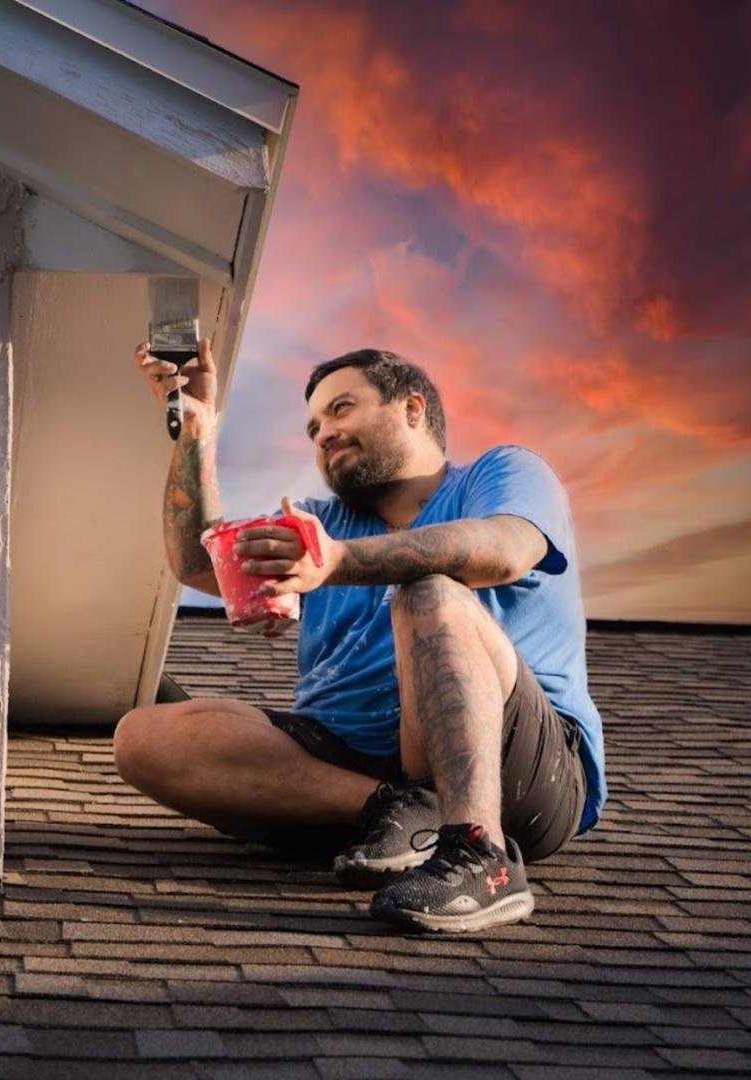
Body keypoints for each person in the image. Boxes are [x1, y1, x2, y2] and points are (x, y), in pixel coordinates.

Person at [115, 340, 605, 933]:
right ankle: (397, 811)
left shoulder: (501, 474)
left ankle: (482, 855)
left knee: (431, 592)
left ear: (413, 408)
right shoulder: (322, 524)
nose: (323, 433)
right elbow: (200, 562)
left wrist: (337, 560)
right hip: (351, 779)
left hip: (518, 772)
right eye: (314, 426)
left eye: (342, 408)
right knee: (144, 737)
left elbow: (501, 550)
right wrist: (195, 427)